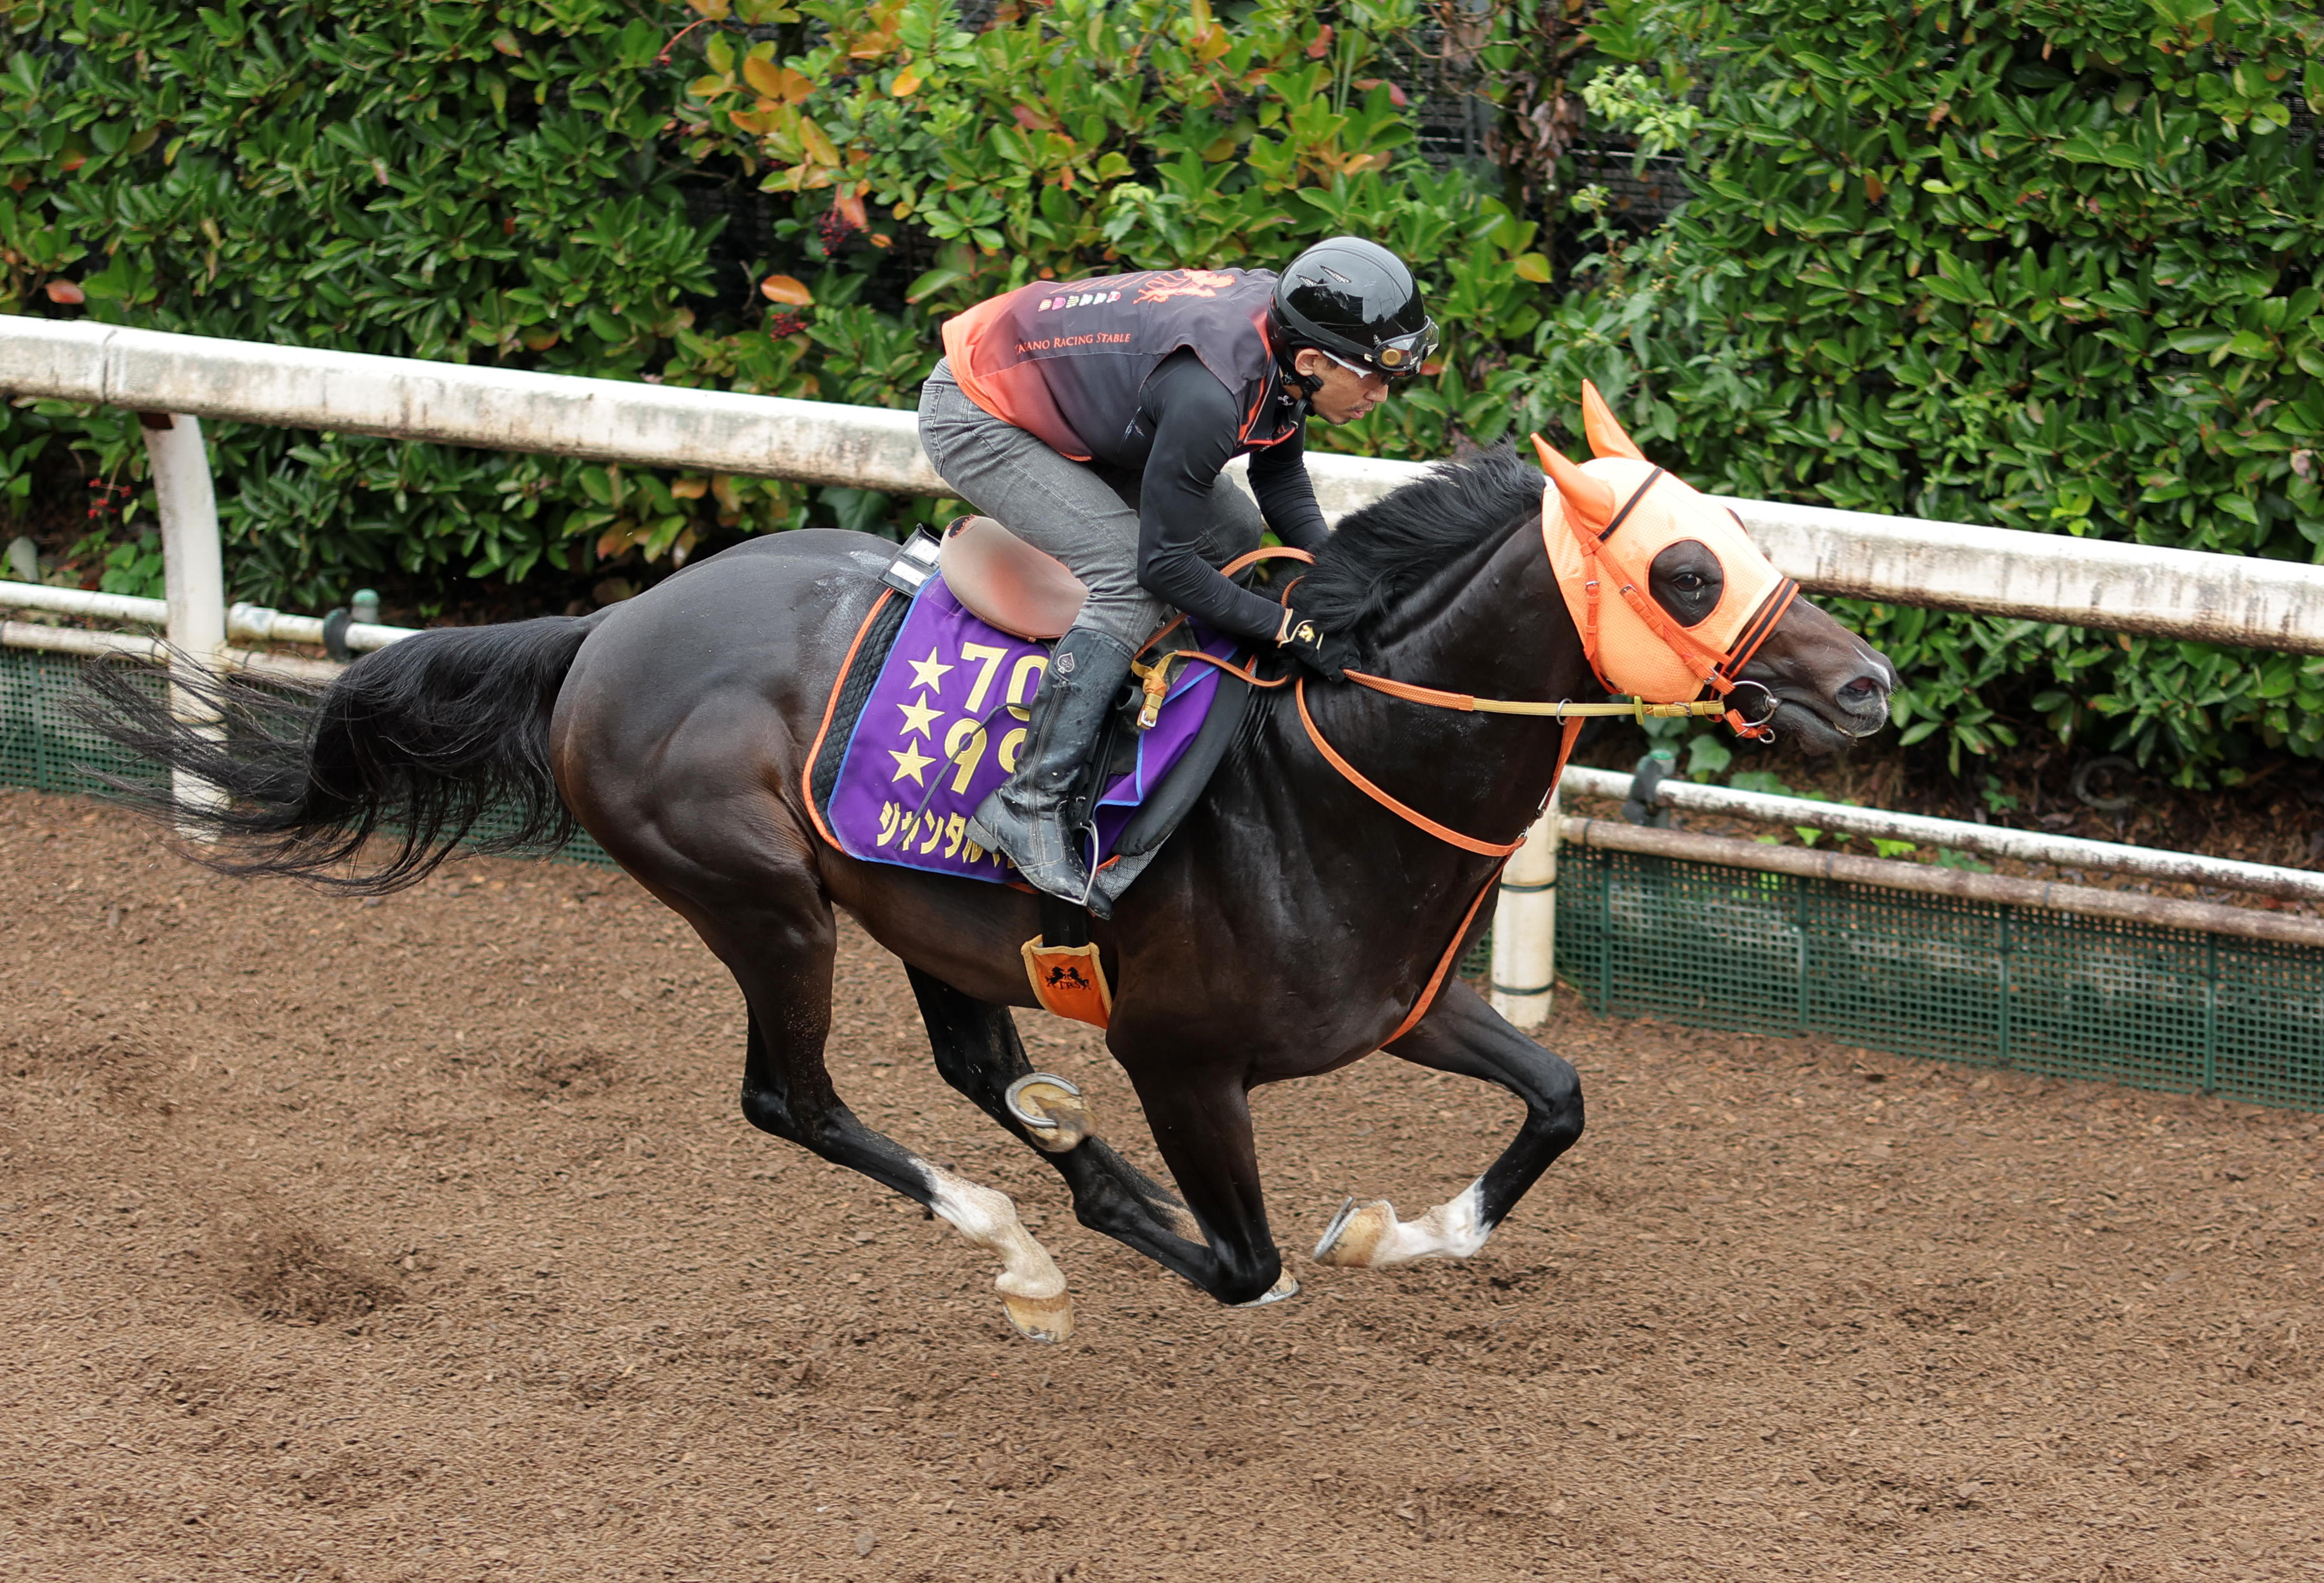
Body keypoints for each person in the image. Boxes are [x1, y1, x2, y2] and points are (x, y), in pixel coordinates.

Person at [916, 236, 1436, 909]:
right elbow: (1162, 567)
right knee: (1128, 582)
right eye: (1373, 374)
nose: (1383, 393)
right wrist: (1289, 630)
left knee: (1235, 529)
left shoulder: (1285, 338)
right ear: (1311, 361)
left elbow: (1279, 476)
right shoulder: (1212, 396)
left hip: (1083, 400)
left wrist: (1346, 576)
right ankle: (1029, 800)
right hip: (978, 406)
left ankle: (1167, 709)